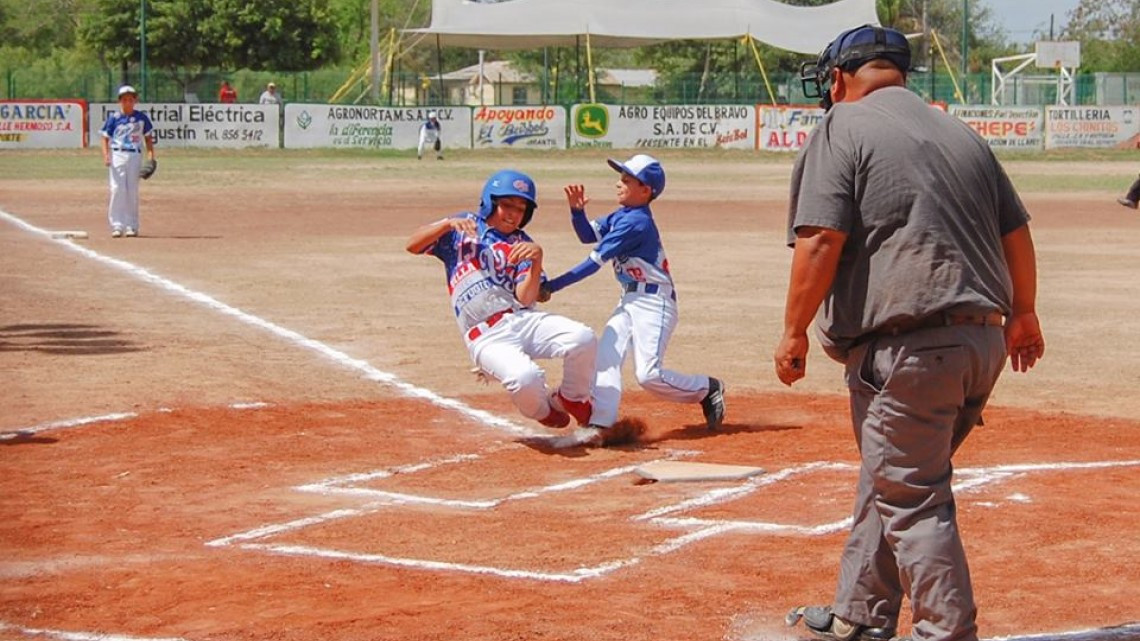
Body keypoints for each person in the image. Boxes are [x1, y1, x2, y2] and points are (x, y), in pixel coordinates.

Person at [776, 25, 1045, 641]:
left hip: (908, 348)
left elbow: (820, 238)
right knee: (892, 476)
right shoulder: (960, 131)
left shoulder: (841, 126)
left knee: (913, 497)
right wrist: (1025, 311)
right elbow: (1016, 232)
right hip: (980, 344)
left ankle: (947, 632)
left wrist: (792, 331)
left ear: (841, 77)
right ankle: (860, 615)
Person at [542, 154, 727, 434]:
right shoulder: (621, 215)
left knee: (649, 375)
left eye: (627, 180)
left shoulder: (636, 223)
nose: (619, 183)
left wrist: (552, 286)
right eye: (621, 178)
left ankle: (707, 388)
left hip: (655, 302)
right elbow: (586, 235)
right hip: (630, 300)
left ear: (646, 190)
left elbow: (592, 264)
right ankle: (600, 422)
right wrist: (577, 212)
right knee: (607, 357)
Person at [407, 169, 599, 436]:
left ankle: (571, 397)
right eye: (507, 205)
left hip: (521, 318)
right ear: (490, 201)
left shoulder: (522, 243)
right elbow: (413, 244)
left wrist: (536, 259)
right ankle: (544, 411)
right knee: (525, 380)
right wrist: (447, 224)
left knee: (583, 338)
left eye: (521, 209)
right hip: (485, 335)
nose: (513, 213)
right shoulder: (463, 225)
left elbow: (526, 297)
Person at [100, 85, 156, 238]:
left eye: (131, 99)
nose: (128, 102)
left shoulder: (141, 118)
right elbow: (105, 138)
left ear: (135, 101)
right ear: (120, 101)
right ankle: (117, 225)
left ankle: (132, 225)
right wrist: (106, 155)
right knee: (117, 189)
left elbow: (149, 139)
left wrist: (151, 158)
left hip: (134, 155)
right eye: (124, 99)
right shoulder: (114, 118)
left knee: (132, 191)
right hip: (117, 154)